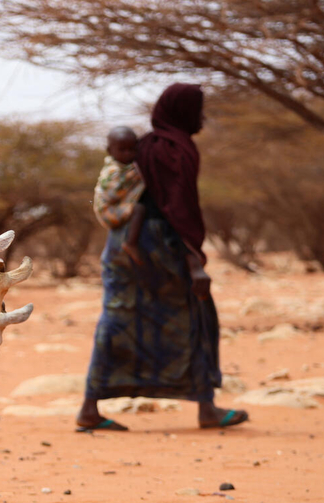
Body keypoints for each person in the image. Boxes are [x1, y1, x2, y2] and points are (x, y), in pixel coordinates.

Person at [76, 83, 249, 432]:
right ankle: (206, 408)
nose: (203, 118)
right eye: (198, 111)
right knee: (195, 318)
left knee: (118, 320)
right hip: (160, 247)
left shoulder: (147, 146)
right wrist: (194, 262)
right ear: (182, 113)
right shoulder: (174, 149)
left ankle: (90, 407)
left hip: (120, 245)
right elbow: (176, 209)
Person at [93, 126, 146, 265]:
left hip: (115, 210)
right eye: (122, 150)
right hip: (108, 211)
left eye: (132, 149)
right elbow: (111, 192)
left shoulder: (128, 168)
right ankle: (130, 243)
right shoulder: (113, 170)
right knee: (139, 209)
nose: (127, 154)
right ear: (110, 151)